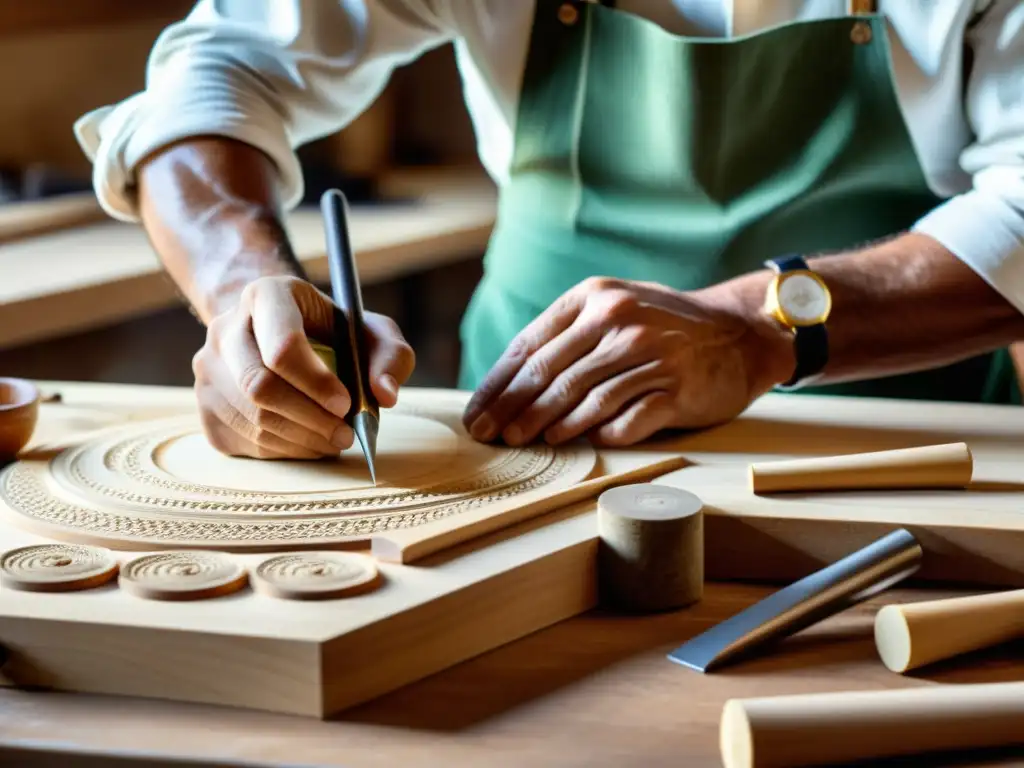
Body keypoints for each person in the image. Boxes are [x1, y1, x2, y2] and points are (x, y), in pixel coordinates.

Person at [74, 0, 1024, 458]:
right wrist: (242, 287)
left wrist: (756, 327)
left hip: (898, 451)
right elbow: (214, 71)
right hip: (528, 440)